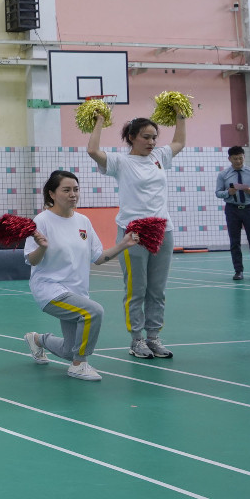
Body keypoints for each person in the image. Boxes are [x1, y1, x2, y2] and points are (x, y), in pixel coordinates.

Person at [21, 171, 137, 382]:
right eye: (66, 190)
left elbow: (98, 258)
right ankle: (79, 365)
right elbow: (32, 259)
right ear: (52, 194)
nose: (73, 194)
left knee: (69, 350)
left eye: (76, 189)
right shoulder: (42, 221)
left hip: (77, 292)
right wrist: (42, 247)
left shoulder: (83, 221)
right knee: (93, 311)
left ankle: (37, 340)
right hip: (49, 290)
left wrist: (123, 244)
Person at [88, 112, 186, 360]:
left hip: (163, 231)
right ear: (131, 137)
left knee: (157, 289)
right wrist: (99, 122)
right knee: (136, 289)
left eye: (154, 137)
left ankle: (153, 337)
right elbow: (92, 150)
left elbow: (179, 142)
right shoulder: (120, 162)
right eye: (146, 137)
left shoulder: (159, 157)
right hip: (133, 234)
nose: (152, 142)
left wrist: (180, 117)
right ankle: (136, 339)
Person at [216, 146, 250, 280]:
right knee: (235, 241)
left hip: (249, 208)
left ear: (244, 157)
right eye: (235, 159)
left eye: (240, 158)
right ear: (229, 159)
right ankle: (238, 271)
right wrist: (228, 192)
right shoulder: (223, 175)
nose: (238, 161)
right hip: (232, 209)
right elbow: (218, 193)